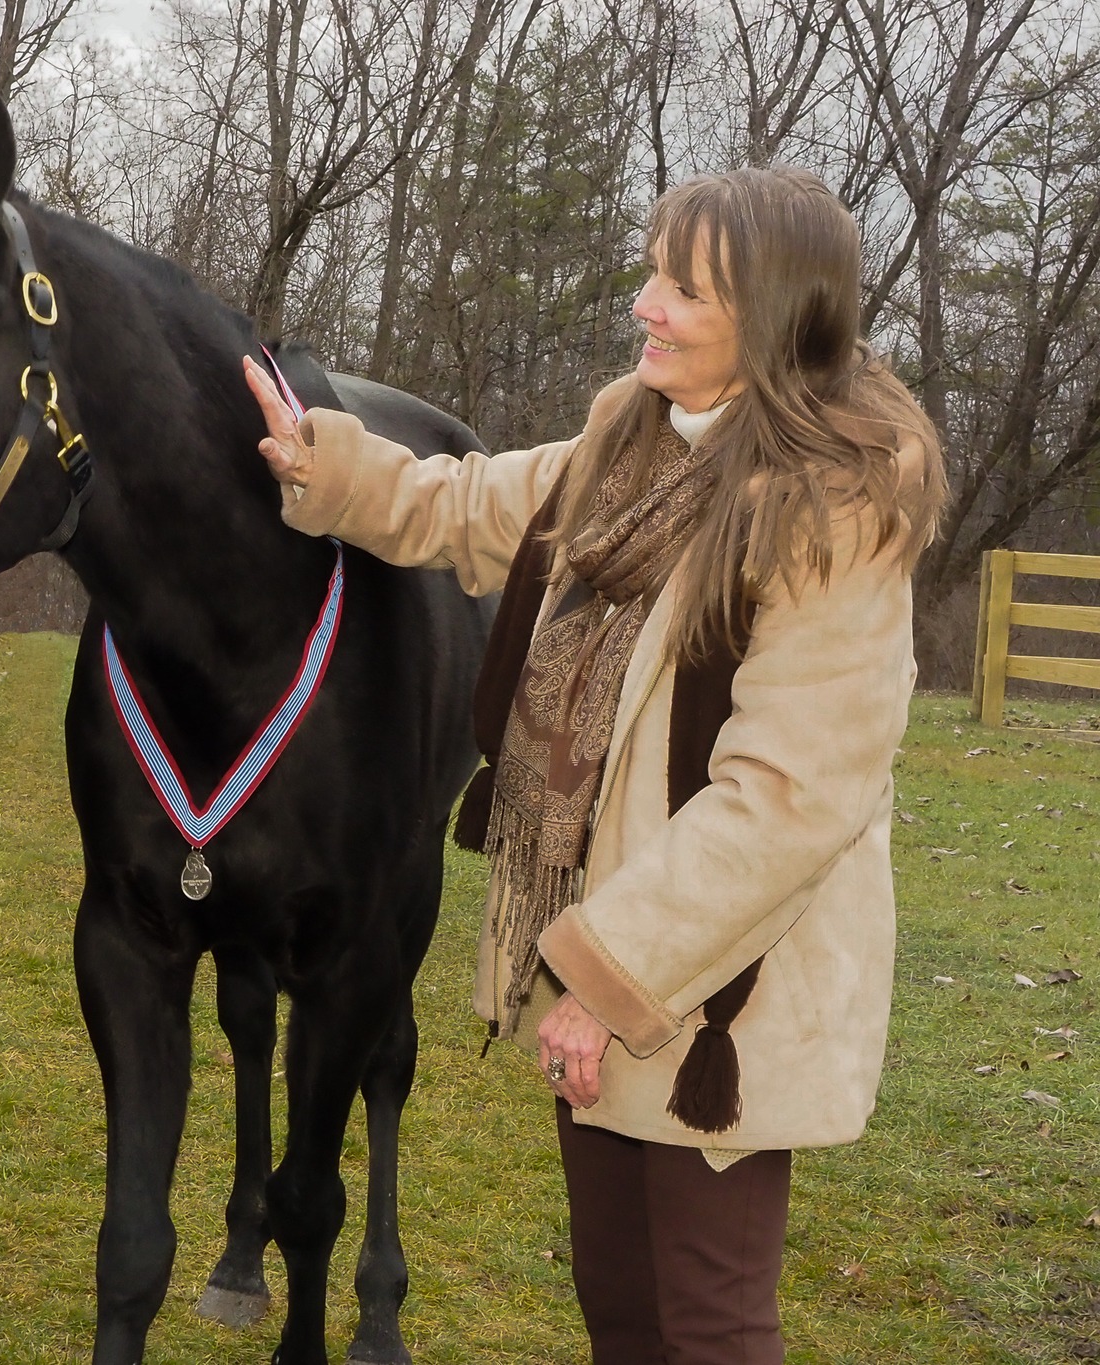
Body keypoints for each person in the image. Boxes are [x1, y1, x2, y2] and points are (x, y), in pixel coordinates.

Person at [245, 166, 945, 1363]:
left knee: (705, 1323)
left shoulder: (834, 507)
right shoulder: (638, 436)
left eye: (683, 289)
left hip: (717, 985)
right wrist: (318, 461)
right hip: (604, 947)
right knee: (621, 1308)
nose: (644, 306)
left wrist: (609, 976)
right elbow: (468, 507)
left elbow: (788, 798)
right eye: (650, 274)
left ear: (771, 317)